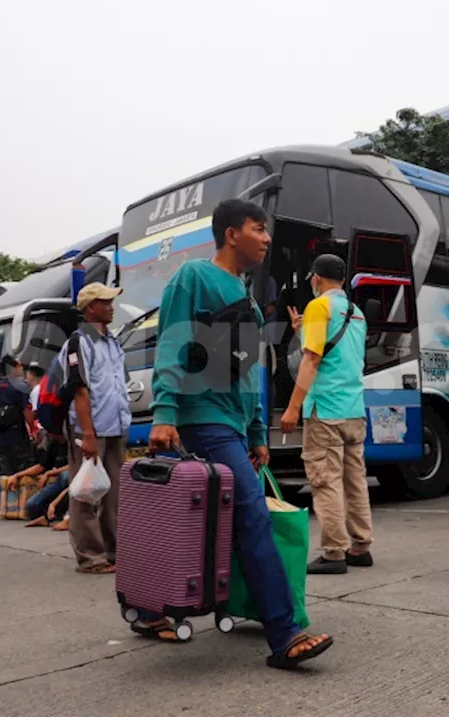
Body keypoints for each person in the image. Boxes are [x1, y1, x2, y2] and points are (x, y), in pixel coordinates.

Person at [148, 199, 332, 669]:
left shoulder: (247, 295)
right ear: (231, 234)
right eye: (259, 228)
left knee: (209, 522)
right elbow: (173, 341)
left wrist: (257, 434)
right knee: (251, 513)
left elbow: (249, 373)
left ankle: (152, 605)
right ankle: (284, 633)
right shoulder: (194, 278)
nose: (267, 238)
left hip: (233, 422)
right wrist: (165, 411)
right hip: (202, 416)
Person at [280, 254, 373, 575]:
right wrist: (302, 330)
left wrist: (293, 407)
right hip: (354, 410)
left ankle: (334, 552)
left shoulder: (319, 306)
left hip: (325, 410)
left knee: (325, 480)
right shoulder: (356, 313)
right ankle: (360, 546)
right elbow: (337, 353)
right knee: (354, 478)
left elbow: (312, 361)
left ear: (316, 278)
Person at [64, 282, 131, 574]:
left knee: (114, 492)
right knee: (86, 495)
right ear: (91, 307)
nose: (111, 306)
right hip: (91, 429)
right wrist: (88, 435)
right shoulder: (79, 342)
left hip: (115, 426)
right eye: (106, 301)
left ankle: (113, 551)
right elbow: (80, 390)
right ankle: (90, 557)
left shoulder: (112, 341)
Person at [0, 356, 36, 511]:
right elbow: (26, 410)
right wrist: (32, 429)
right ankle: (17, 503)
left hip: (0, 436)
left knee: (3, 470)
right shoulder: (20, 387)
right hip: (17, 435)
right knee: (20, 469)